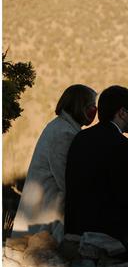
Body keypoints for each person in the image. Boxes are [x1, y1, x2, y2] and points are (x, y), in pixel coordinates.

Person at [13, 84, 98, 239]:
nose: (94, 110)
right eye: (92, 105)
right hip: (45, 218)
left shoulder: (61, 126)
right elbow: (66, 180)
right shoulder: (63, 133)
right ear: (80, 106)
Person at [64, 85, 128, 246]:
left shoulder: (81, 138)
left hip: (76, 231)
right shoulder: (123, 145)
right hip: (107, 237)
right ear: (122, 112)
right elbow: (125, 194)